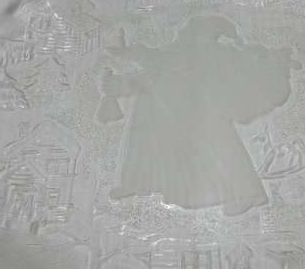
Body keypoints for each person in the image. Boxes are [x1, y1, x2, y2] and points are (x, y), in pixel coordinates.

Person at [99, 15, 293, 216]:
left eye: (186, 29)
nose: (180, 32)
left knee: (222, 151)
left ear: (200, 33)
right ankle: (135, 183)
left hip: (198, 113)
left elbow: (159, 60)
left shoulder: (205, 54)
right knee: (145, 141)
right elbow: (155, 68)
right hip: (170, 111)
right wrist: (123, 77)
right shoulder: (183, 54)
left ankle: (246, 193)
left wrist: (127, 54)